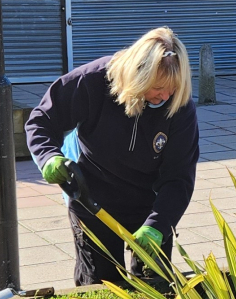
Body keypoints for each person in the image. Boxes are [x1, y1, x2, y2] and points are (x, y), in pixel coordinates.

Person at [25, 27, 199, 285]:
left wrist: (158, 225)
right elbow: (42, 120)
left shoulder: (179, 107)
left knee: (156, 288)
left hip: (150, 205)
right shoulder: (93, 81)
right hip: (92, 199)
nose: (165, 96)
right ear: (139, 76)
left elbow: (179, 176)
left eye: (172, 89)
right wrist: (48, 156)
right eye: (159, 87)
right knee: (101, 287)